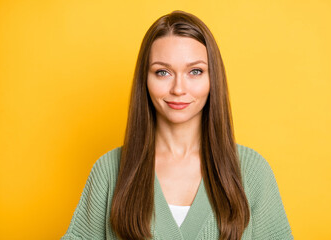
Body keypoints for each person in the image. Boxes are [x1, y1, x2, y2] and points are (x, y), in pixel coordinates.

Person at [61, 10, 293, 240]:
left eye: (195, 71)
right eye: (163, 72)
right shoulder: (110, 171)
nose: (179, 89)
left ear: (213, 79)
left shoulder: (251, 173)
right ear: (145, 79)